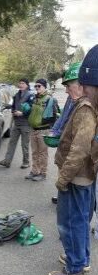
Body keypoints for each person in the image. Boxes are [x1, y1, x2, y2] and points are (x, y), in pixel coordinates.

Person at [48, 47, 98, 275]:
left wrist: (62, 178)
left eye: (71, 84)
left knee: (71, 221)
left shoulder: (86, 109)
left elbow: (79, 150)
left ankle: (75, 267)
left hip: (77, 177)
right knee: (79, 219)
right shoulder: (82, 105)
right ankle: (81, 259)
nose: (67, 88)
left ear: (84, 84)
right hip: (82, 175)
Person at [49, 63, 82, 204]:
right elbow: (63, 117)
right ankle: (62, 194)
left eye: (68, 86)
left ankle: (67, 195)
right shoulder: (70, 99)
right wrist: (54, 130)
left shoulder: (85, 105)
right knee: (62, 167)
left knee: (72, 173)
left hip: (74, 147)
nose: (66, 91)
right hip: (64, 140)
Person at [25, 78, 59, 181]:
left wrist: (52, 130)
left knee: (42, 153)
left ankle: (43, 173)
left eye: (39, 86)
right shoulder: (35, 98)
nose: (37, 88)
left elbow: (56, 115)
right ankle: (34, 171)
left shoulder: (50, 99)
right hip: (33, 129)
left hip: (44, 130)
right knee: (35, 152)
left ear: (45, 86)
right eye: (35, 86)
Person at [0, 78, 34, 169]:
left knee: (24, 144)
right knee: (11, 143)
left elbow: (33, 109)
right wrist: (13, 111)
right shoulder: (16, 95)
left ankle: (26, 162)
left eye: (23, 83)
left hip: (26, 124)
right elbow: (13, 106)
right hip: (16, 123)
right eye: (20, 83)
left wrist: (22, 113)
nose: (21, 85)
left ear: (27, 85)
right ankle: (7, 161)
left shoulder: (30, 95)